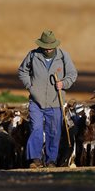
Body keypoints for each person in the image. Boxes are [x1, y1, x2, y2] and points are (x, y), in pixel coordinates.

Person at [17, 30, 78, 168]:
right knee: (36, 128)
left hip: (56, 101)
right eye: (46, 46)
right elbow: (22, 71)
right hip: (36, 101)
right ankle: (35, 159)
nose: (48, 48)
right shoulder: (33, 55)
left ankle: (51, 160)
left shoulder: (63, 56)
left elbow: (72, 74)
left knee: (54, 131)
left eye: (51, 45)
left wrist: (64, 83)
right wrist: (30, 86)